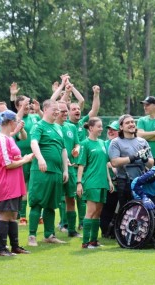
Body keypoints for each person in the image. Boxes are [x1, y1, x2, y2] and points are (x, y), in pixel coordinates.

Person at [27, 99, 68, 246]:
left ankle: (49, 235)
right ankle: (32, 235)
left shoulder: (58, 128)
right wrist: (40, 159)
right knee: (37, 202)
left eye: (59, 109)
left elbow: (63, 150)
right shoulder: (39, 126)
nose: (57, 111)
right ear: (45, 109)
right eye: (54, 109)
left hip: (57, 172)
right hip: (42, 171)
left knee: (51, 204)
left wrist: (66, 170)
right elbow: (34, 143)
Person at [0, 110, 33, 256]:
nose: (17, 124)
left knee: (13, 214)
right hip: (7, 182)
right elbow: (7, 163)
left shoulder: (9, 138)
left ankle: (15, 246)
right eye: (16, 121)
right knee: (5, 215)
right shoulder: (2, 139)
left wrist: (23, 158)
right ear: (11, 122)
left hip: (15, 182)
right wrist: (25, 160)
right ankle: (2, 248)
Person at [76, 117, 114, 248]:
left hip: (103, 182)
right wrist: (79, 183)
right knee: (90, 212)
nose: (101, 129)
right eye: (99, 126)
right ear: (91, 128)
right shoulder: (85, 144)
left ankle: (94, 241)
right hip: (91, 182)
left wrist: (109, 181)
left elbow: (105, 164)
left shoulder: (103, 143)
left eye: (102, 126)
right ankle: (85, 243)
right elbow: (81, 165)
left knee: (98, 213)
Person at [67, 85, 101, 230]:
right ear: (67, 112)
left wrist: (96, 94)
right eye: (73, 109)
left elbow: (94, 110)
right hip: (70, 166)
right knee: (68, 198)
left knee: (82, 198)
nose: (77, 110)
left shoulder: (82, 123)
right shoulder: (64, 125)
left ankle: (82, 223)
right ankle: (66, 224)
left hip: (83, 166)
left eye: (78, 109)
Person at [109, 114, 154, 210]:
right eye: (127, 123)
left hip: (141, 181)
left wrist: (145, 159)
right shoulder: (116, 142)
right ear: (121, 127)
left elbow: (151, 164)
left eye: (133, 122)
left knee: (142, 210)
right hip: (124, 181)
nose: (131, 124)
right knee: (126, 210)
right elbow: (114, 162)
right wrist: (133, 157)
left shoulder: (143, 142)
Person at [11, 84, 41, 226]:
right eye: (24, 105)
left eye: (28, 104)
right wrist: (20, 106)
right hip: (21, 157)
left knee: (36, 186)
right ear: (18, 106)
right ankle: (22, 216)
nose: (28, 106)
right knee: (22, 186)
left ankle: (38, 215)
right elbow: (16, 118)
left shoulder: (35, 117)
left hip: (35, 156)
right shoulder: (16, 119)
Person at [55, 101, 81, 238]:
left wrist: (76, 149)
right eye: (62, 111)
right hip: (55, 168)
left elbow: (77, 143)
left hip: (70, 169)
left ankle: (72, 230)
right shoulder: (52, 127)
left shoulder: (71, 127)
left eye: (66, 111)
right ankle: (50, 232)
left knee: (71, 198)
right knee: (51, 200)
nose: (65, 114)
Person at [100, 120, 120, 237]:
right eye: (109, 129)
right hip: (107, 183)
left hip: (121, 183)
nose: (110, 131)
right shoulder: (104, 144)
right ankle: (105, 231)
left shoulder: (122, 143)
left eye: (114, 129)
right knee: (106, 209)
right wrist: (110, 164)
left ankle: (115, 232)